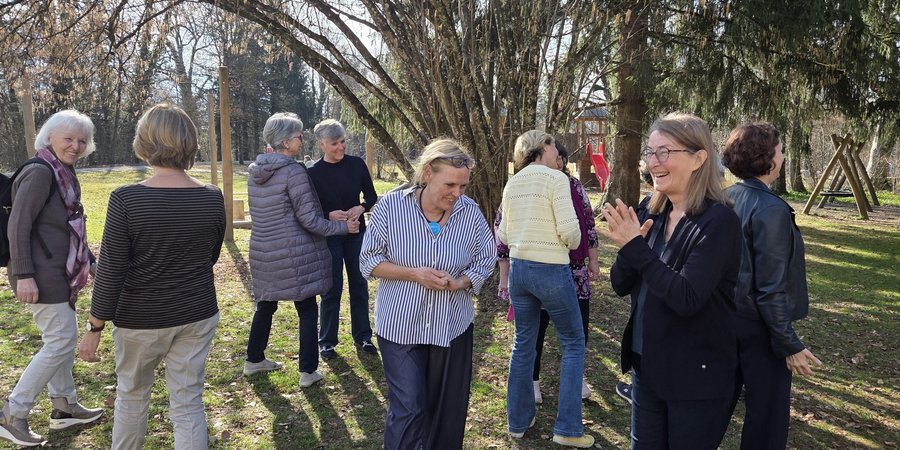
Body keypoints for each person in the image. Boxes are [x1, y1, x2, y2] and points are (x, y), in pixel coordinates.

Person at [77, 103, 225, 450]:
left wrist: (94, 327)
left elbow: (111, 269)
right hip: (197, 311)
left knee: (132, 396)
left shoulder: (127, 199)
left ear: (144, 142)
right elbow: (210, 255)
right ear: (190, 143)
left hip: (141, 318)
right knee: (188, 402)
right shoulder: (212, 197)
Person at [601, 113, 742, 449]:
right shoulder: (652, 208)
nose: (653, 163)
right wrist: (628, 246)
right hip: (647, 366)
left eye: (664, 152)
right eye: (650, 153)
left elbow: (687, 297)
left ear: (698, 158)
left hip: (696, 375)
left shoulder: (719, 222)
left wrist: (636, 246)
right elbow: (620, 284)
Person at [359, 138, 494, 450]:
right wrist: (413, 274)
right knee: (410, 408)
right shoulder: (391, 208)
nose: (457, 194)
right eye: (450, 184)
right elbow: (368, 261)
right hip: (401, 326)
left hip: (452, 327)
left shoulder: (469, 213)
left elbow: (486, 258)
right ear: (428, 173)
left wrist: (462, 282)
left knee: (447, 413)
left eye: (463, 186)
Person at [1, 110, 103, 447]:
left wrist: (88, 259)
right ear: (49, 138)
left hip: (58, 271)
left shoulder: (64, 171)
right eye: (68, 139)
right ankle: (12, 412)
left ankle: (64, 407)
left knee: (60, 338)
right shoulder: (40, 172)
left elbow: (69, 225)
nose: (75, 146)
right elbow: (18, 226)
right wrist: (25, 274)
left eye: (81, 141)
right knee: (60, 339)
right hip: (39, 274)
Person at [722, 122, 823, 449]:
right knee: (766, 419)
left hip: (722, 320)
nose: (782, 156)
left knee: (713, 410)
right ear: (767, 157)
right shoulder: (771, 209)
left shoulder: (724, 198)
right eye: (780, 150)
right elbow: (770, 288)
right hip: (758, 328)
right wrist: (788, 344)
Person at [244, 113, 358, 387]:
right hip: (293, 254)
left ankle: (253, 359)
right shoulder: (293, 171)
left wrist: (326, 216)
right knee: (307, 308)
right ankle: (308, 371)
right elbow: (308, 221)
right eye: (299, 136)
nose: (302, 140)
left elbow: (280, 213)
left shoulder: (255, 172)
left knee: (266, 304)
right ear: (286, 142)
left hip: (263, 251)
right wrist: (344, 229)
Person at [499, 130, 594, 448]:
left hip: (520, 270)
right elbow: (571, 232)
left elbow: (503, 232)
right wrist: (572, 242)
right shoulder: (556, 180)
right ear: (542, 148)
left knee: (523, 344)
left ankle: (517, 422)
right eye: (554, 146)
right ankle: (568, 427)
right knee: (573, 342)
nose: (559, 154)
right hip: (551, 269)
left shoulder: (514, 182)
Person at [307, 119, 379, 360]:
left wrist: (360, 208)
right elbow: (309, 209)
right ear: (322, 145)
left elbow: (371, 196)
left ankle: (363, 336)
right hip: (330, 236)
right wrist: (328, 215)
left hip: (356, 233)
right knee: (331, 288)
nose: (340, 147)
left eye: (343, 141)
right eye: (334, 143)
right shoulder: (313, 173)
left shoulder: (357, 165)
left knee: (359, 284)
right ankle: (327, 341)